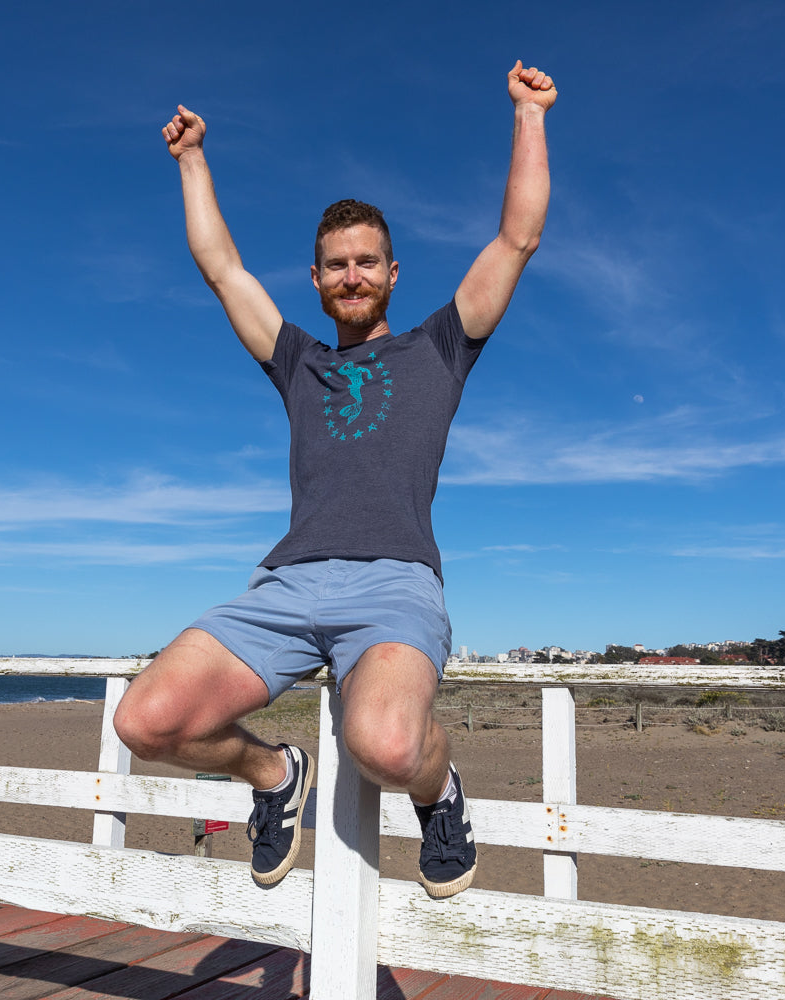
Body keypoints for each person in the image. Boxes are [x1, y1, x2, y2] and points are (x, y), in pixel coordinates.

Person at [114, 61, 556, 899]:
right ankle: (276, 774)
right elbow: (221, 268)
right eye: (336, 265)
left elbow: (516, 240)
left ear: (393, 274)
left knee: (386, 746)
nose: (352, 275)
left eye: (367, 262)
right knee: (144, 721)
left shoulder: (441, 348)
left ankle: (439, 791)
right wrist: (192, 159)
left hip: (394, 581)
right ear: (316, 281)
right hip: (286, 583)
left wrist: (529, 115)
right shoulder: (298, 362)